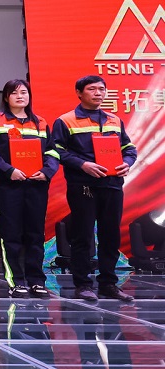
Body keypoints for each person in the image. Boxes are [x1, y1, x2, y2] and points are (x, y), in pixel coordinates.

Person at [50, 75, 138, 302]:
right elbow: (55, 150)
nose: (98, 93)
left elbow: (129, 148)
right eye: (92, 89)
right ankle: (83, 284)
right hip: (83, 185)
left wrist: (127, 163)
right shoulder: (66, 121)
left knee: (111, 235)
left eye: (101, 89)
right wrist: (83, 164)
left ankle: (108, 283)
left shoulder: (114, 120)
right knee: (83, 235)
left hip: (112, 185)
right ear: (79, 93)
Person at [0, 79, 59, 299]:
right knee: (11, 235)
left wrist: (47, 171)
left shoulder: (40, 122)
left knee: (36, 234)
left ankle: (37, 281)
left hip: (36, 185)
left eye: (24, 92)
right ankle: (16, 281)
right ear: (6, 97)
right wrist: (9, 171)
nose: (20, 96)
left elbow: (52, 152)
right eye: (14, 93)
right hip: (9, 187)